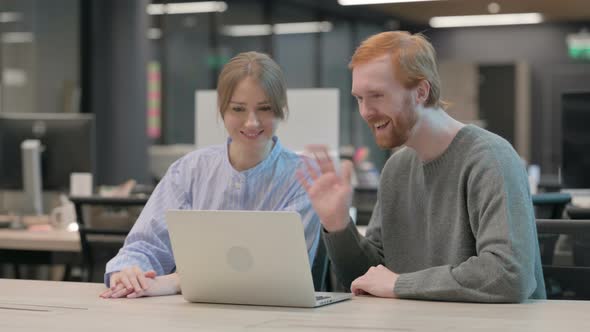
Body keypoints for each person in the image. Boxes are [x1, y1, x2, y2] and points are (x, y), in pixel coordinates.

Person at [298, 31, 546, 302]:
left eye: (377, 95)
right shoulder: (397, 168)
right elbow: (368, 279)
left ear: (421, 92)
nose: (366, 111)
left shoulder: (490, 159)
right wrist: (338, 225)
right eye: (359, 98)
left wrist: (400, 285)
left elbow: (509, 275)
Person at [100, 51, 321, 299]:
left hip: (275, 314)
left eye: (265, 109)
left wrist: (176, 281)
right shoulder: (189, 170)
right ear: (222, 110)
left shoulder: (305, 177)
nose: (251, 122)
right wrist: (131, 272)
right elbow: (145, 245)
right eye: (238, 109)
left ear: (281, 109)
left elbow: (273, 271)